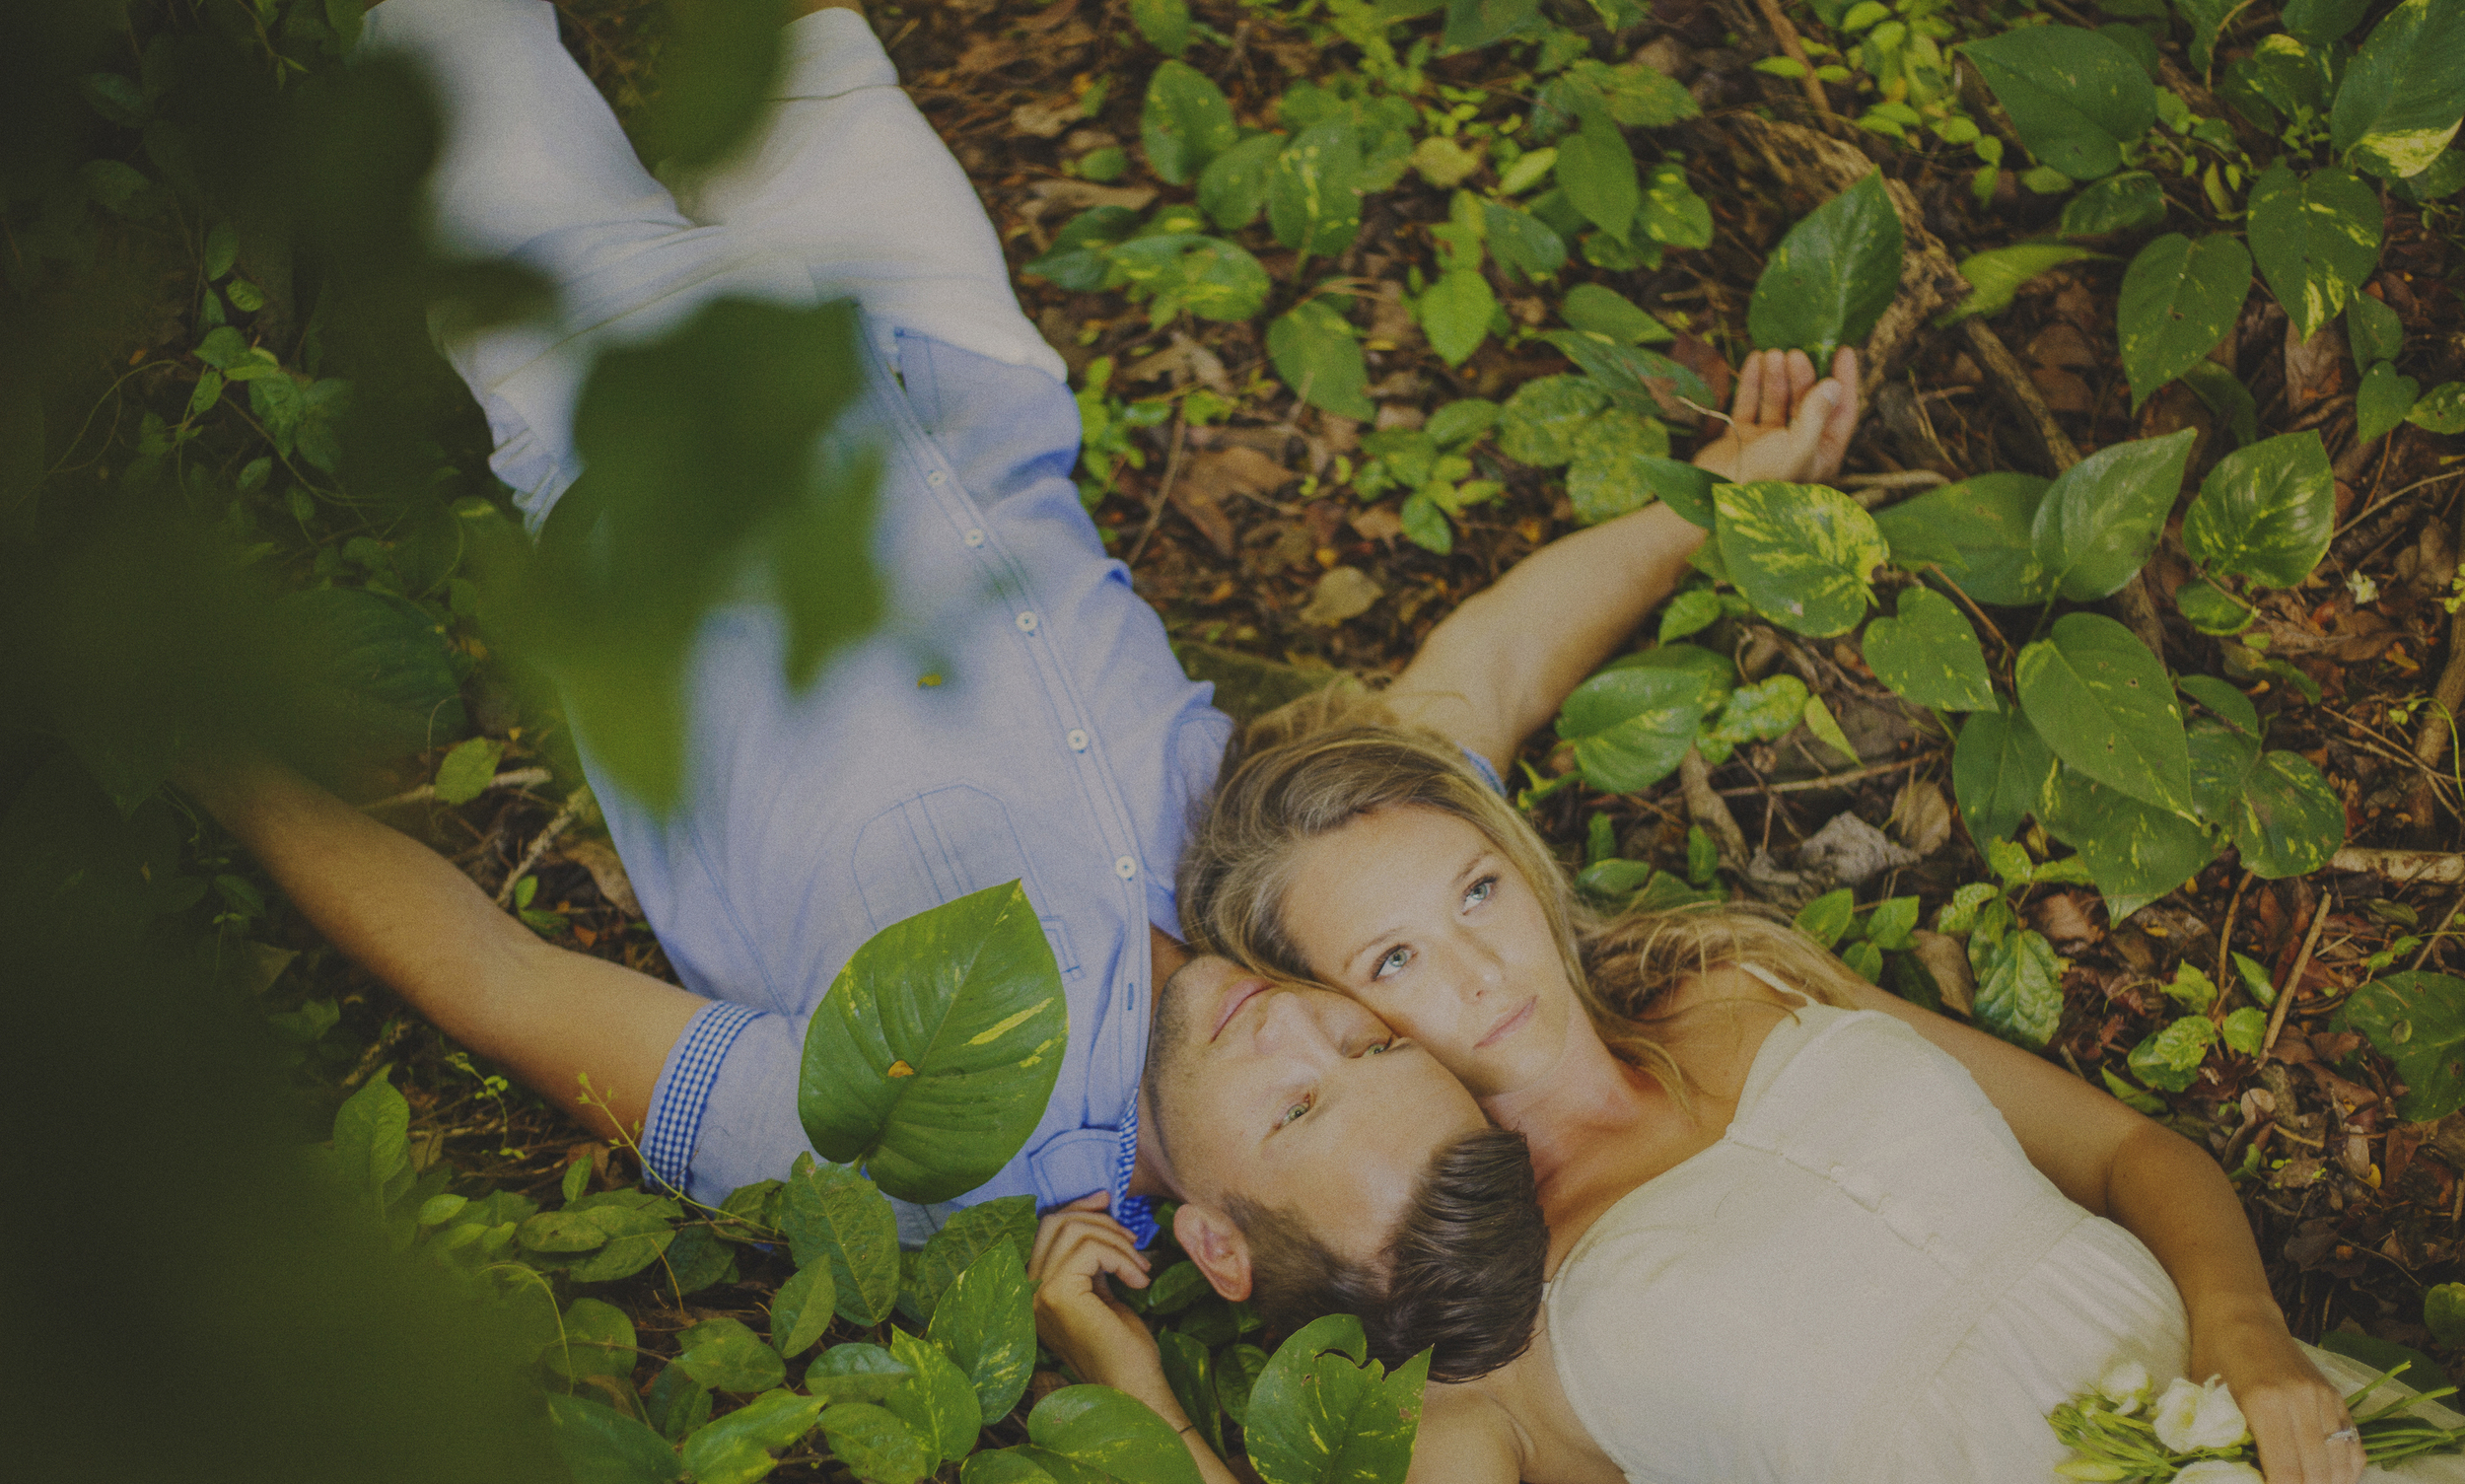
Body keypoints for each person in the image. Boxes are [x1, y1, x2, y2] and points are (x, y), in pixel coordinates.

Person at [183, 0, 1860, 1241]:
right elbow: (1481, 679)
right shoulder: (1283, 907)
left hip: (642, 421)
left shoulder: (909, 1143)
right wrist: (1719, 495)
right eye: (1368, 1035)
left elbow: (499, 978)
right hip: (937, 342)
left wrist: (188, 737)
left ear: (1209, 1241)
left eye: (1298, 1105)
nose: (1309, 1030)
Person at [1029, 727, 2465, 1484]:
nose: (1477, 967)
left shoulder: (1732, 983)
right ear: (1344, 1017)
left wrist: (2247, 1332)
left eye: (1474, 891)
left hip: (2310, 1455)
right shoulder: (1482, 1341)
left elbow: (2128, 1152)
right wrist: (1135, 1399)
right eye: (1391, 961)